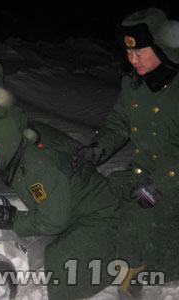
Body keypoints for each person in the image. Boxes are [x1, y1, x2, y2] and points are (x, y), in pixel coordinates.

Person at [71, 7, 179, 299]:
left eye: (140, 52)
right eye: (129, 53)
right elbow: (119, 121)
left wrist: (162, 184)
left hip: (173, 181)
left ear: (160, 48)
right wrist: (98, 148)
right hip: (143, 174)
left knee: (150, 226)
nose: (132, 60)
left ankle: (153, 279)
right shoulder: (134, 84)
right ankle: (129, 274)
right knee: (120, 209)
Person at [0, 104, 120, 300]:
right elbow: (69, 147)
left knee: (60, 258)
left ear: (5, 141)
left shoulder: (39, 166)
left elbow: (53, 222)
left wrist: (14, 220)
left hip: (102, 215)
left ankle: (118, 257)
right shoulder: (24, 139)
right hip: (80, 201)